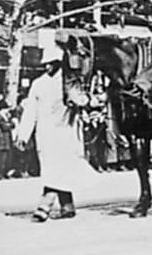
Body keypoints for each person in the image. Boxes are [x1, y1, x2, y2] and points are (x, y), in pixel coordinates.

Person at [14, 31, 99, 221]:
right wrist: (23, 135)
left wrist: (90, 101)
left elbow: (82, 100)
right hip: (45, 134)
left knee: (60, 169)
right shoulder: (38, 84)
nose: (47, 67)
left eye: (51, 63)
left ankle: (45, 204)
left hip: (66, 134)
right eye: (46, 64)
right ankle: (67, 206)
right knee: (54, 169)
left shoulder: (70, 82)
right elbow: (30, 111)